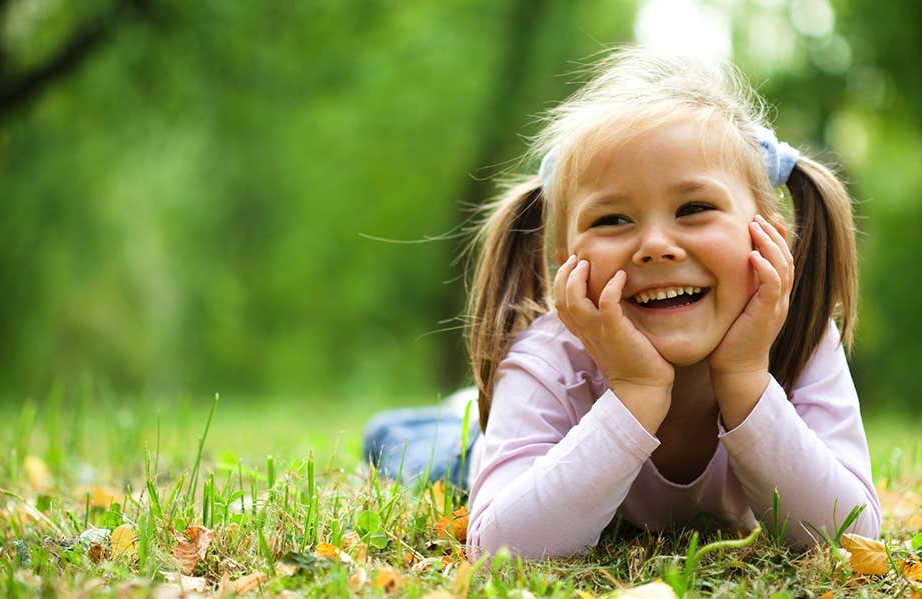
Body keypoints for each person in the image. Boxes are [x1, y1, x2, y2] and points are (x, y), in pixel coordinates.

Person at [364, 47, 879, 559]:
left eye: (694, 208)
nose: (655, 244)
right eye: (611, 219)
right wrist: (635, 393)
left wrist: (745, 378)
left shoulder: (799, 338)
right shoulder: (548, 361)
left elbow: (849, 535)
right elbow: (501, 548)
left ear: (767, 234)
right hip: (503, 456)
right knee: (417, 451)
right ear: (568, 260)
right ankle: (455, 422)